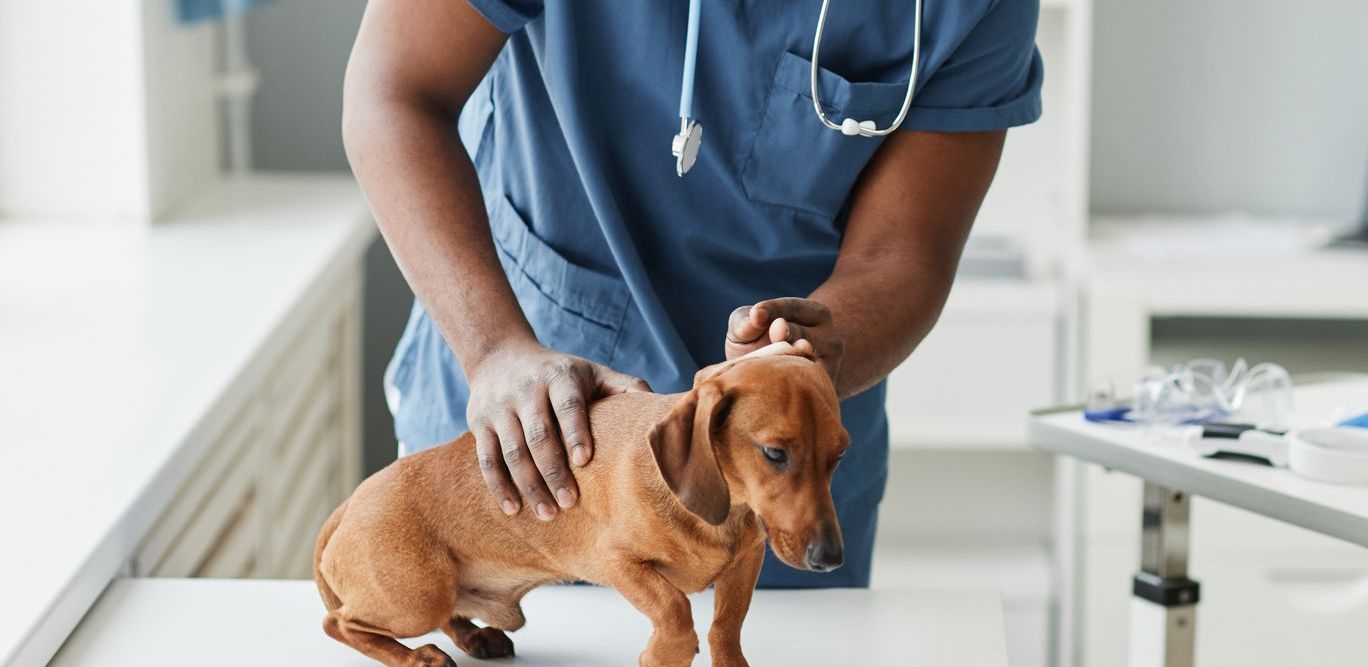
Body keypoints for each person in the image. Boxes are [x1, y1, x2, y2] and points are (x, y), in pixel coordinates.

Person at [342, 0, 1041, 587]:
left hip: (782, 461)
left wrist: (810, 354)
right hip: (530, 420)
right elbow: (395, 92)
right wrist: (494, 347)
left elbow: (902, 252)